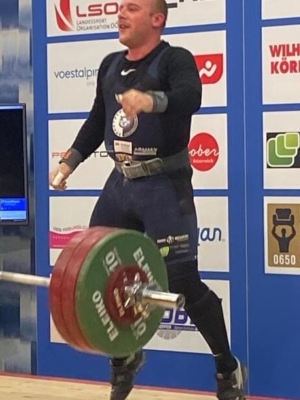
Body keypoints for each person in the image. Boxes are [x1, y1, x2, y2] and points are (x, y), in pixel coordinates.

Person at [48, 1, 247, 399]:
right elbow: (97, 119)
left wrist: (151, 101)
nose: (121, 14)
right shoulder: (109, 65)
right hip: (120, 185)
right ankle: (125, 359)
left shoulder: (175, 59)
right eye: (120, 7)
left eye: (133, 8)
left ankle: (227, 368)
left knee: (181, 281)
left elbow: (190, 98)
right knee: (100, 274)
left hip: (164, 186)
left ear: (157, 20)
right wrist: (70, 162)